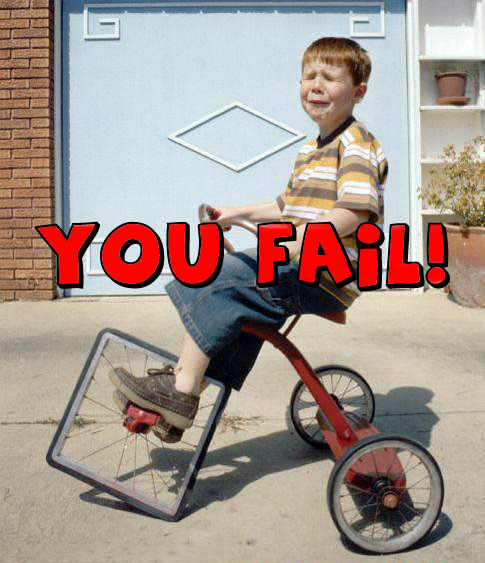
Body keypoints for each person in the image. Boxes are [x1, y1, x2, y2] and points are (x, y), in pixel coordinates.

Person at [109, 37, 389, 442]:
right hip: (300, 262)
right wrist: (235, 213)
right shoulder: (311, 150)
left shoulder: (356, 144)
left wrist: (301, 241)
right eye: (309, 76)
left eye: (330, 78)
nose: (316, 85)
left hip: (325, 270)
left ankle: (181, 391)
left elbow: (355, 212)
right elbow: (283, 206)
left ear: (358, 92)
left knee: (217, 278)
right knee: (232, 297)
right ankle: (184, 388)